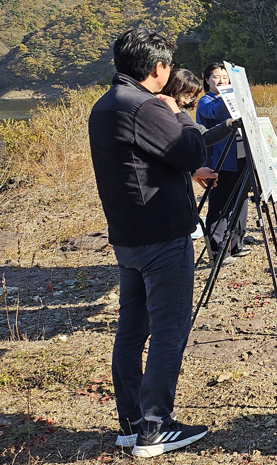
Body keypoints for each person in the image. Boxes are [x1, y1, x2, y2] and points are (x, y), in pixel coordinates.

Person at [88, 28, 208, 458]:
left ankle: (132, 422)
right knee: (168, 331)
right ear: (158, 68)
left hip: (128, 234)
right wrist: (179, 111)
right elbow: (191, 153)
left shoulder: (105, 104)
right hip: (161, 235)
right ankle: (156, 427)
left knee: (132, 329)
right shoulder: (143, 106)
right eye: (169, 66)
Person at [196, 62, 251, 263]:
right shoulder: (206, 101)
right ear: (207, 80)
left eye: (225, 77)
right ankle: (218, 251)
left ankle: (236, 244)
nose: (222, 80)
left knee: (241, 200)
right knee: (220, 203)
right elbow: (216, 113)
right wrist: (231, 94)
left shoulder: (233, 98)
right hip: (220, 160)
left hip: (241, 157)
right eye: (216, 77)